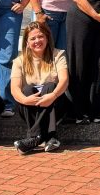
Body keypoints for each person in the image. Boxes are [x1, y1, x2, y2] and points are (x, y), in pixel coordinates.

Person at [11, 21, 69, 154]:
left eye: (41, 36)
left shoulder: (58, 55)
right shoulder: (19, 61)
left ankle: (35, 138)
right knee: (27, 90)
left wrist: (53, 95)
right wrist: (25, 100)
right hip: (30, 107)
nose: (37, 41)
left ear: (47, 38)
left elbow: (64, 80)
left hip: (56, 104)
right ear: (27, 42)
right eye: (33, 38)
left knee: (50, 86)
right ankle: (50, 138)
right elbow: (14, 88)